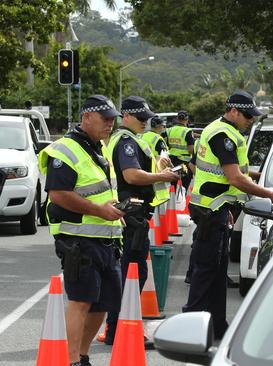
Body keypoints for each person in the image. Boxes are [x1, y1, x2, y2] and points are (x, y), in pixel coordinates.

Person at [183, 90, 273, 339]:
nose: (250, 120)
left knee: (217, 272)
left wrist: (227, 206)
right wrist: (269, 194)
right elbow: (235, 177)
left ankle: (217, 325)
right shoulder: (223, 135)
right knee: (206, 271)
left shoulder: (220, 130)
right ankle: (190, 327)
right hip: (210, 209)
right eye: (248, 115)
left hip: (215, 208)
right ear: (234, 111)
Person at [38, 95, 125, 366]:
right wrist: (100, 210)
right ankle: (71, 360)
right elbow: (59, 194)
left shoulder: (98, 148)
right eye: (105, 119)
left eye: (113, 120)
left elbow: (99, 191)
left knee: (104, 303)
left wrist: (116, 210)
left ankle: (82, 355)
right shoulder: (64, 150)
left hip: (106, 238)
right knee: (81, 301)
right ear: (87, 116)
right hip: (79, 240)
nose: (110, 124)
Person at [102, 96, 179, 347]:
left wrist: (158, 165)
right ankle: (122, 330)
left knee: (128, 272)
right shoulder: (125, 141)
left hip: (131, 212)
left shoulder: (129, 139)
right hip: (131, 213)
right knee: (133, 273)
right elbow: (131, 175)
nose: (145, 122)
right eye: (140, 117)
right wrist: (162, 174)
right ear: (126, 116)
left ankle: (116, 329)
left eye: (147, 117)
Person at [165, 110, 194, 191]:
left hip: (171, 162)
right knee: (183, 187)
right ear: (187, 119)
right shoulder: (187, 131)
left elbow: (167, 145)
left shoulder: (169, 130)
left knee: (172, 186)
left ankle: (172, 203)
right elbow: (191, 149)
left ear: (177, 119)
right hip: (184, 164)